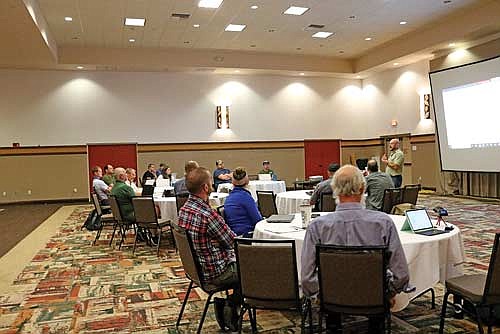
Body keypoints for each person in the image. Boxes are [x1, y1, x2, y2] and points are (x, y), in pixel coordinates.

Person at [301, 165, 409, 331]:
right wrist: (388, 292)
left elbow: (307, 278)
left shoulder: (316, 226)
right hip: (374, 297)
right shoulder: (383, 223)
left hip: (332, 299)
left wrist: (321, 295)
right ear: (363, 188)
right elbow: (401, 275)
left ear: (334, 189)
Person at [177, 166, 238, 289]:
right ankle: (231, 304)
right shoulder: (208, 215)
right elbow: (233, 242)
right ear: (205, 187)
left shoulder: (183, 210)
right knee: (252, 264)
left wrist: (217, 242)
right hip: (215, 273)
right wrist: (220, 243)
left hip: (196, 271)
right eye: (211, 183)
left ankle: (229, 304)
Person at [224, 167, 263, 236]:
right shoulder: (246, 197)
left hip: (235, 234)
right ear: (247, 181)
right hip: (247, 235)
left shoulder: (228, 198)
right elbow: (258, 220)